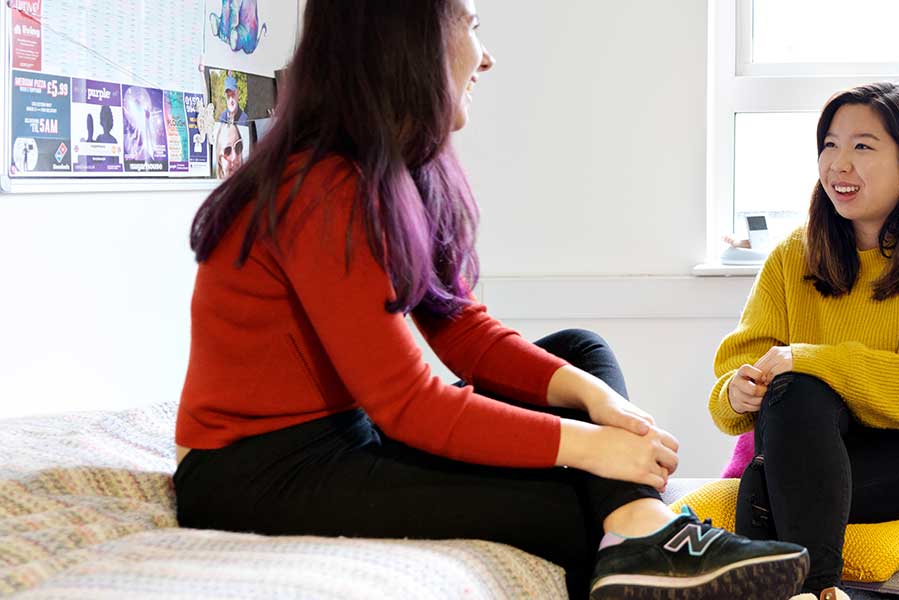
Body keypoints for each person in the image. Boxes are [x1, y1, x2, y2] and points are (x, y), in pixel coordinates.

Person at [176, 1, 808, 599]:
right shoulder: (318, 186)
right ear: (411, 40)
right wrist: (593, 446)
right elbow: (410, 405)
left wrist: (601, 404)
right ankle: (646, 538)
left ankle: (641, 530)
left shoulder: (393, 169)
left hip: (350, 436)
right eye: (472, 24)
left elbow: (463, 333)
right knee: (563, 507)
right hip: (258, 471)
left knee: (580, 355)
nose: (486, 57)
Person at [708, 82, 899, 599]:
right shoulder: (792, 256)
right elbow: (737, 380)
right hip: (822, 447)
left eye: (862, 147)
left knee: (763, 487)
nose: (838, 164)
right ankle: (818, 593)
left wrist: (813, 359)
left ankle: (803, 590)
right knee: (795, 394)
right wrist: (737, 391)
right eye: (829, 145)